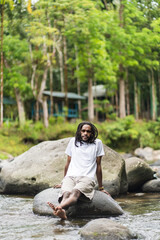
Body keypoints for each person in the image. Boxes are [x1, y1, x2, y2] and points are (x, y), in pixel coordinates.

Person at [47, 121, 109, 220]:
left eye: (88, 131)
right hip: (71, 176)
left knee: (75, 193)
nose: (85, 133)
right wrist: (63, 181)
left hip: (87, 178)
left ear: (92, 133)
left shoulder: (98, 143)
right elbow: (68, 162)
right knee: (66, 193)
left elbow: (98, 165)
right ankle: (62, 213)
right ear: (79, 131)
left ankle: (60, 208)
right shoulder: (73, 141)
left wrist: (101, 187)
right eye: (83, 131)